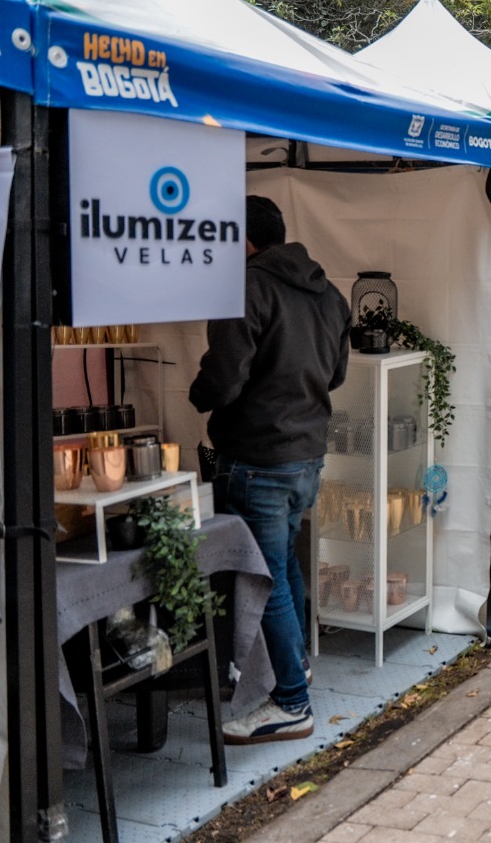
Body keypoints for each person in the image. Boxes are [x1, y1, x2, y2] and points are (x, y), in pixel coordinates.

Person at [190, 196, 349, 745]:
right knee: (286, 566)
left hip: (258, 458)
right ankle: (295, 668)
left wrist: (200, 394)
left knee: (270, 577)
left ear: (243, 239)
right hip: (306, 454)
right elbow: (336, 374)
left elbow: (225, 379)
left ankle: (291, 703)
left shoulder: (245, 288)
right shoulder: (328, 293)